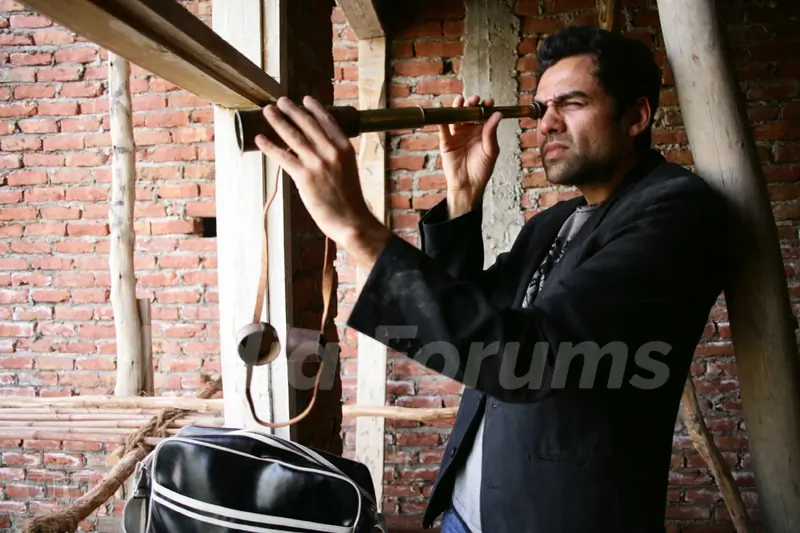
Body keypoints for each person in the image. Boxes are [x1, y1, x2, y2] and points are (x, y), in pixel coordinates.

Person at [253, 25, 730, 533]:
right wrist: (461, 197)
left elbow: (528, 359)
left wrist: (356, 227)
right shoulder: (556, 220)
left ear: (636, 117)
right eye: (542, 108)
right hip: (468, 508)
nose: (547, 124)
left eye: (570, 104)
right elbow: (474, 324)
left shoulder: (676, 210)